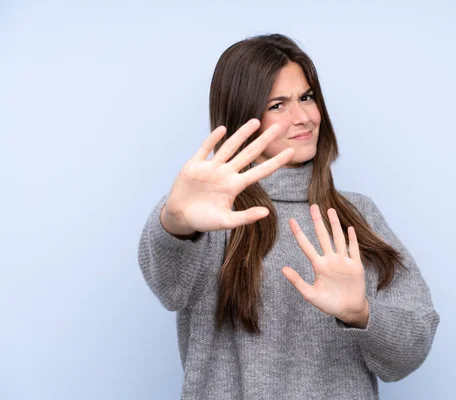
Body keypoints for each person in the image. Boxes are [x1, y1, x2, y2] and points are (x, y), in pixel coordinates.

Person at [137, 33, 440, 400]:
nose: (304, 118)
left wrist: (362, 314)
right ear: (244, 116)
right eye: (277, 105)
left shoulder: (360, 215)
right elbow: (170, 287)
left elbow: (410, 350)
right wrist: (176, 221)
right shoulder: (213, 216)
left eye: (307, 97)